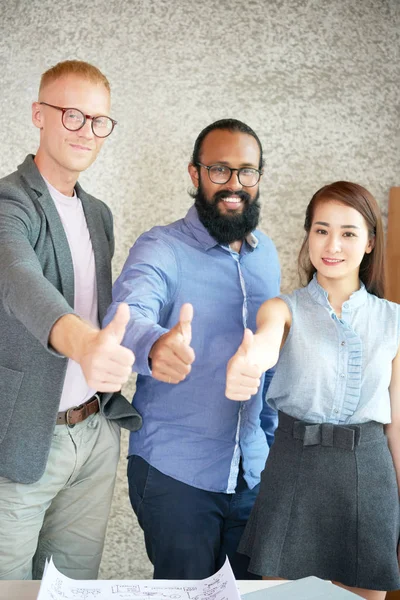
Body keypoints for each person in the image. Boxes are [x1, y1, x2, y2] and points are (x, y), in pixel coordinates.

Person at [104, 119, 280, 580]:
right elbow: (126, 314)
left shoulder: (268, 256)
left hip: (253, 473)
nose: (234, 184)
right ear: (195, 174)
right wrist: (154, 344)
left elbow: (272, 358)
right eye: (219, 170)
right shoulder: (161, 247)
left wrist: (274, 447)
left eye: (247, 172)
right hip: (176, 476)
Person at [0, 60, 141, 581]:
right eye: (72, 115)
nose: (87, 132)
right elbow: (19, 280)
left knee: (75, 590)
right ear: (39, 114)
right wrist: (82, 344)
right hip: (20, 440)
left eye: (99, 120)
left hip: (94, 432)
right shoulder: (9, 200)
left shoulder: (99, 213)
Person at [226, 181, 400, 599]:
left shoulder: (394, 320)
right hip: (294, 470)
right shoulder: (282, 308)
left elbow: (397, 424)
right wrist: (248, 364)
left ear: (371, 242)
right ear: (308, 234)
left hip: (369, 475)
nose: (332, 245)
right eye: (321, 230)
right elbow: (265, 345)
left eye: (348, 233)